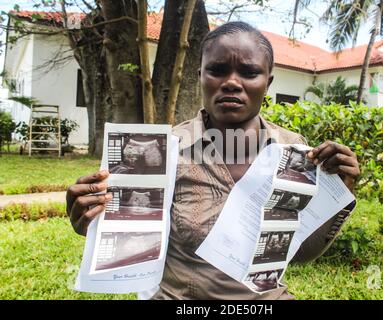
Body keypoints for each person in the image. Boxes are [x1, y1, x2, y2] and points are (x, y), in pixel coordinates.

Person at [66, 22, 360, 300]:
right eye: (217, 70)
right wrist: (93, 224)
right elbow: (129, 246)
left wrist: (340, 195)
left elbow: (297, 252)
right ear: (201, 76)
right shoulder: (163, 152)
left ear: (267, 83)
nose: (231, 82)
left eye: (248, 72)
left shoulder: (294, 152)